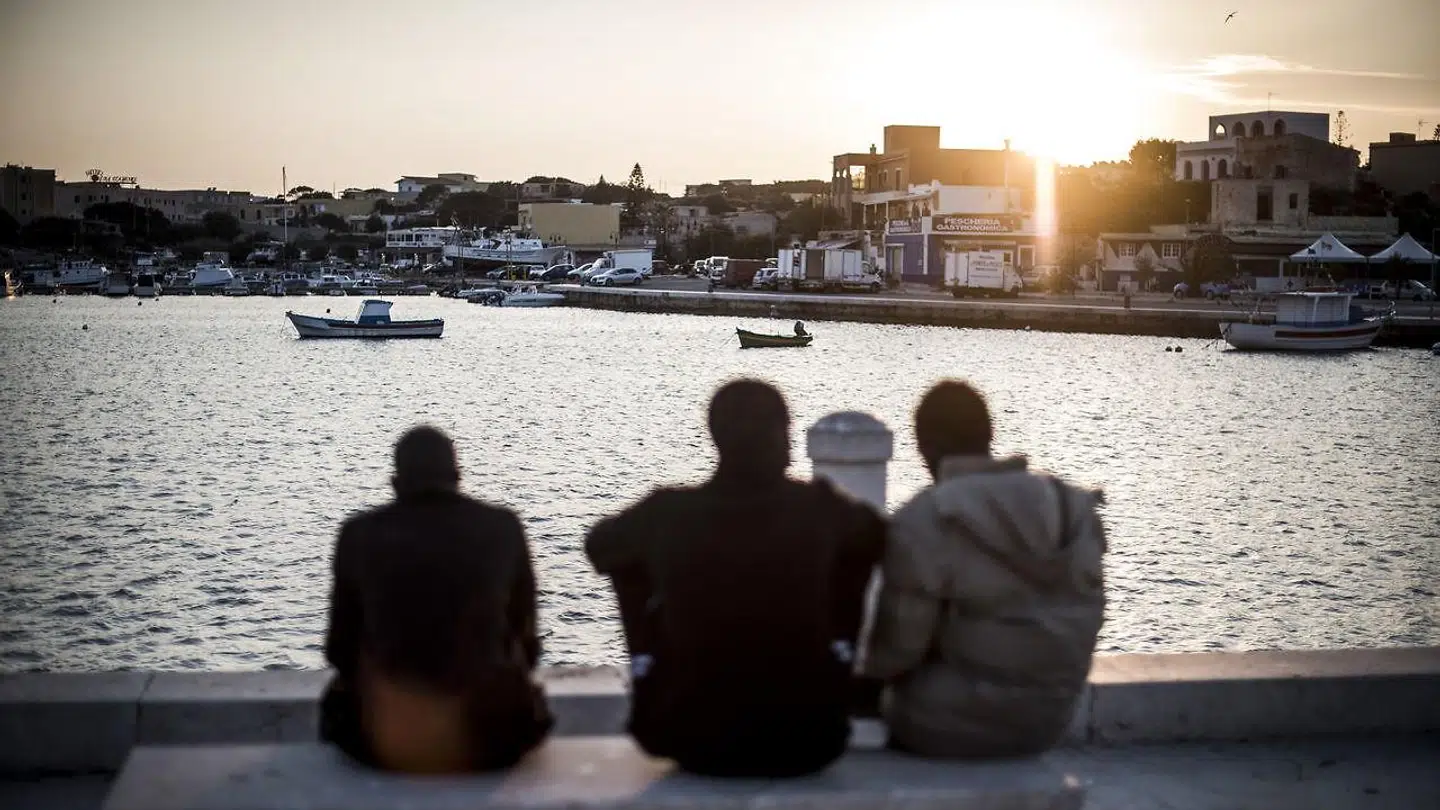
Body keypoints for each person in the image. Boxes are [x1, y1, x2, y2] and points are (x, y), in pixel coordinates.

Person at [586, 379, 886, 777]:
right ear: (783, 436)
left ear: (716, 437)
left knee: (627, 560)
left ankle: (647, 667)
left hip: (683, 736)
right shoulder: (819, 509)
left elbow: (599, 545)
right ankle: (838, 660)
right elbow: (877, 537)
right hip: (810, 738)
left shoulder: (668, 514)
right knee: (853, 556)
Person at [863, 381, 1106, 758]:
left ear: (926, 446)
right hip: (1048, 723)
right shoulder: (1069, 507)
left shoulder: (929, 516)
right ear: (990, 433)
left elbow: (897, 651)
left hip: (941, 725)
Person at [321, 425, 551, 773]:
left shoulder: (359, 534)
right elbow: (526, 640)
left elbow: (339, 650)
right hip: (492, 740)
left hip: (387, 744)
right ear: (458, 476)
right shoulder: (502, 527)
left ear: (396, 482)